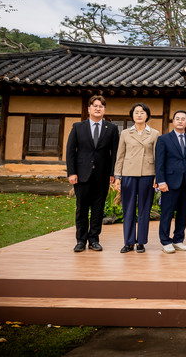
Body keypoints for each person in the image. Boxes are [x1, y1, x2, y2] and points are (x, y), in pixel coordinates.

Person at [65, 95, 119, 252]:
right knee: (81, 209)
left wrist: (113, 173)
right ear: (88, 109)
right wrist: (71, 172)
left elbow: (115, 153)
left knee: (98, 209)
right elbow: (70, 151)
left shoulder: (112, 128)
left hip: (102, 176)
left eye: (101, 106)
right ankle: (80, 240)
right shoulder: (78, 127)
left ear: (104, 110)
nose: (98, 108)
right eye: (95, 106)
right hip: (82, 175)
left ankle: (94, 239)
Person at [113, 103, 160, 254]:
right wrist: (117, 176)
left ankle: (141, 242)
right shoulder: (125, 133)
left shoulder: (154, 134)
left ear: (147, 115)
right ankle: (128, 242)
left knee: (145, 209)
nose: (139, 115)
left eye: (142, 112)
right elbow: (120, 156)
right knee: (128, 209)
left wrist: (157, 176)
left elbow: (157, 157)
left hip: (147, 174)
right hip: (128, 174)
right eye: (136, 112)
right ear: (132, 115)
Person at [155, 110, 186, 254]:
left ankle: (178, 240)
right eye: (177, 118)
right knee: (167, 213)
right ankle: (165, 241)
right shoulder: (163, 139)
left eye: (183, 119)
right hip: (169, 182)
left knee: (182, 213)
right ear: (173, 121)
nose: (180, 121)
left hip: (185, 182)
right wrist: (161, 181)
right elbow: (159, 162)